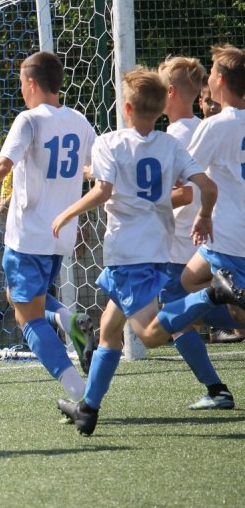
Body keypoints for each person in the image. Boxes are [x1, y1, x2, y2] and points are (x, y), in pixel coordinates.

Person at [51, 68, 245, 436]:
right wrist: (204, 215)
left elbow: (104, 190)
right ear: (159, 107)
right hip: (157, 250)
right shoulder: (170, 145)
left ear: (126, 107)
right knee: (109, 330)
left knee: (150, 335)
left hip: (129, 254)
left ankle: (212, 294)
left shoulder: (109, 142)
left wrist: (67, 212)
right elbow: (207, 186)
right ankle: (88, 409)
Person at [0, 51, 95, 404]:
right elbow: (95, 168)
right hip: (59, 237)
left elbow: (2, 166)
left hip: (28, 236)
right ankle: (70, 321)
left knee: (28, 319)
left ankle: (80, 393)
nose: (21, 90)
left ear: (32, 83)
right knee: (19, 296)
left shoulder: (29, 120)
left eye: (22, 83)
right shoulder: (80, 121)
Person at [157, 56, 239, 408]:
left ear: (169, 92)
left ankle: (216, 389)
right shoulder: (200, 125)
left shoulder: (176, 136)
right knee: (198, 298)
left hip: (181, 240)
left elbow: (184, 192)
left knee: (176, 318)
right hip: (207, 238)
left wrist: (142, 203)